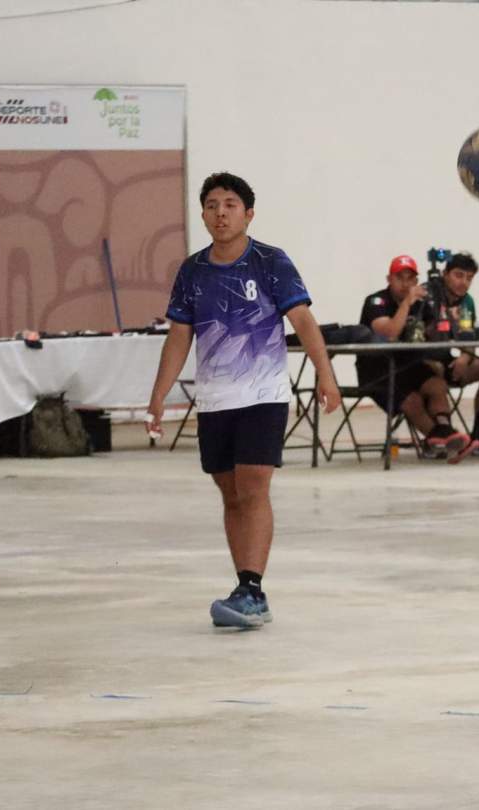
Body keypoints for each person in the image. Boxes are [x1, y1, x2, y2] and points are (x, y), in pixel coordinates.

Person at [146, 172, 341, 629]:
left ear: (248, 213)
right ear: (202, 214)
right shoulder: (192, 271)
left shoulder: (271, 262)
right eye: (212, 204)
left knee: (253, 486)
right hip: (215, 400)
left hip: (263, 395)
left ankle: (253, 589)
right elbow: (178, 336)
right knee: (230, 493)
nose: (221, 212)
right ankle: (243, 584)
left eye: (231, 204)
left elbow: (304, 322)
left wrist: (326, 376)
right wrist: (158, 396)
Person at [357, 255, 476, 461]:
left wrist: (451, 321)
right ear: (389, 279)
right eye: (400, 278)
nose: (405, 284)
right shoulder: (376, 302)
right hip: (378, 371)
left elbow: (435, 334)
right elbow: (391, 332)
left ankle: (445, 435)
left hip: (409, 364)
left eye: (410, 279)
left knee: (436, 384)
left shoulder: (422, 304)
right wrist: (407, 303)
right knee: (412, 400)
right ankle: (442, 440)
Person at [423, 252, 479, 454]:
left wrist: (465, 357)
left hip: (449, 361)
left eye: (469, 278)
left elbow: (468, 337)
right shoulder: (426, 295)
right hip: (422, 364)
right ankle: (440, 435)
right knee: (431, 374)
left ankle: (478, 435)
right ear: (445, 274)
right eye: (459, 275)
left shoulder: (467, 302)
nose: (464, 282)